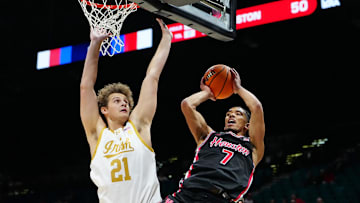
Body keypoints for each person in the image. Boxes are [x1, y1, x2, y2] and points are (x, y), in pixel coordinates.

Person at [80, 18, 172, 203]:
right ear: (104, 110)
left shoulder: (138, 126)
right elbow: (86, 86)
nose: (124, 104)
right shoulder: (97, 135)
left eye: (126, 102)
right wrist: (95, 44)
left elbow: (152, 77)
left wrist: (167, 39)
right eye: (117, 101)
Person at [163, 67, 265, 203]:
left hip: (218, 199)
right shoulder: (208, 136)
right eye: (228, 114)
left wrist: (238, 89)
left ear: (247, 125)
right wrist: (207, 92)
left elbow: (256, 107)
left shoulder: (253, 147)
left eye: (238, 114)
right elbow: (187, 104)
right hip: (186, 195)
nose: (231, 116)